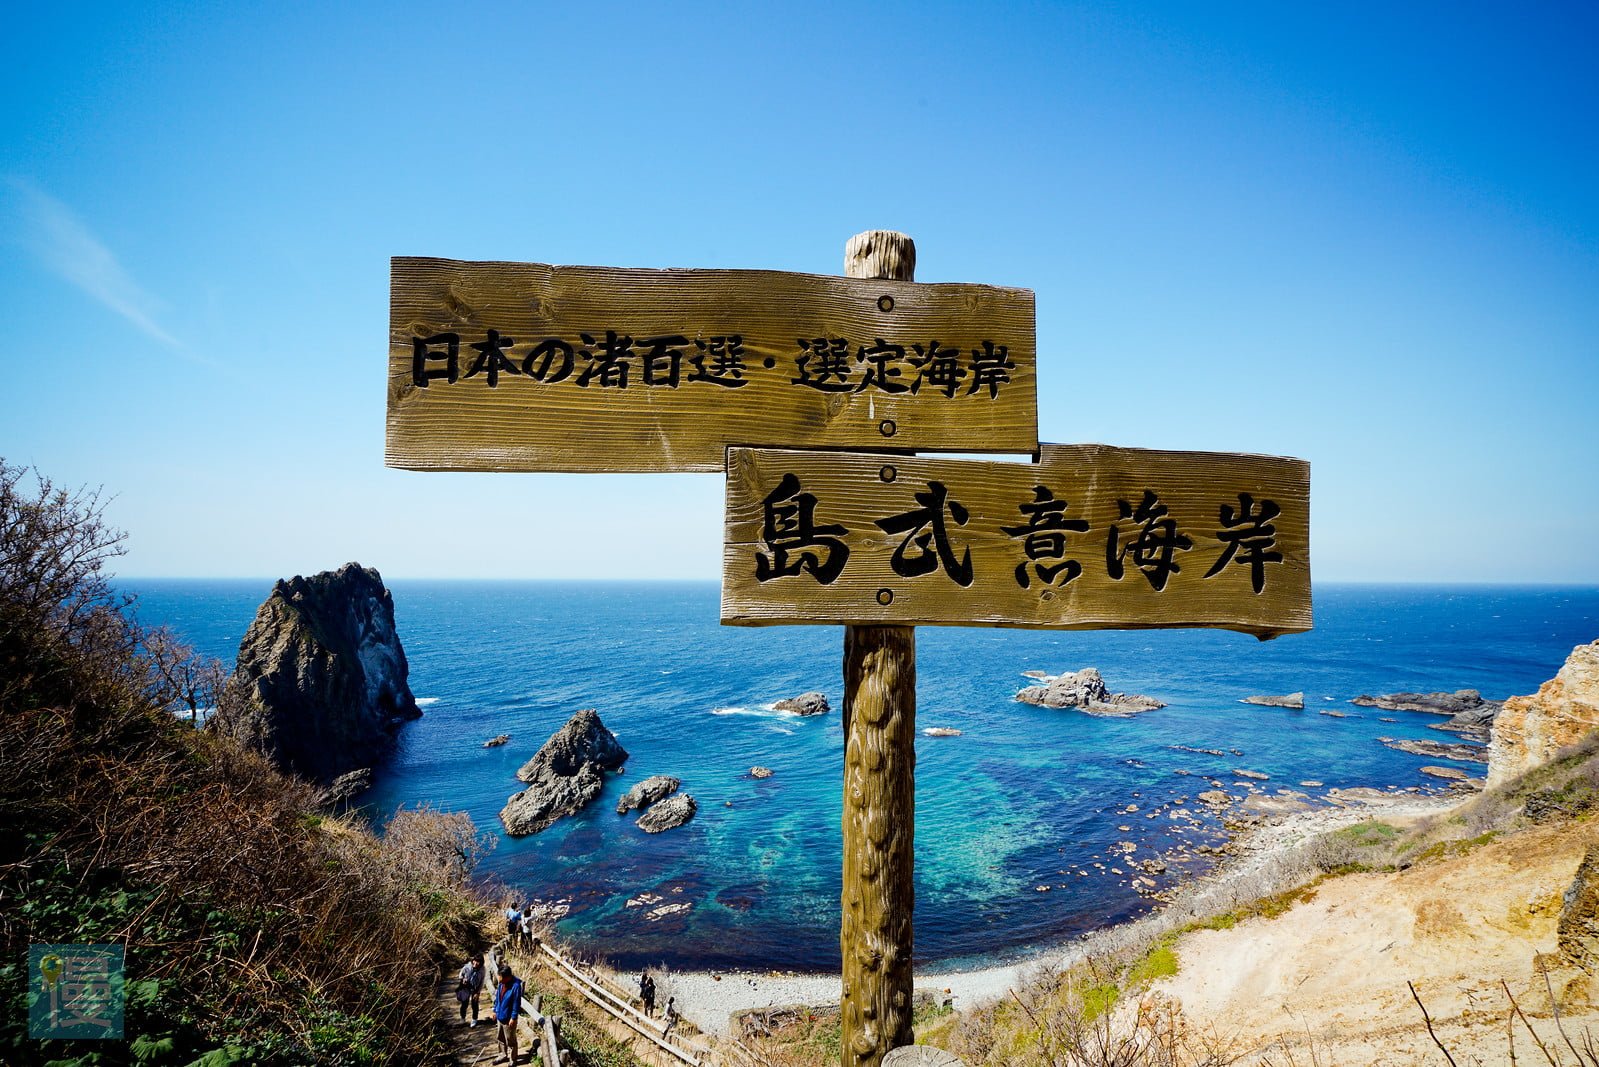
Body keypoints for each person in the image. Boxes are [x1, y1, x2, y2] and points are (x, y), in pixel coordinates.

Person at [493, 962, 524, 1066]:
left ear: (506, 977)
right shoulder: (501, 983)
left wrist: (513, 1017)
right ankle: (502, 1054)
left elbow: (516, 1003)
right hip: (500, 1015)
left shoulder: (516, 986)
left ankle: (513, 1059)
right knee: (500, 1037)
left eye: (500, 976)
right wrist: (495, 1010)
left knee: (511, 1040)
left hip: (508, 1018)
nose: (498, 978)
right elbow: (497, 998)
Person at [456, 954, 484, 1026]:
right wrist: (463, 979)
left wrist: (478, 992)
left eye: (478, 962)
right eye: (474, 961)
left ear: (481, 962)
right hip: (466, 986)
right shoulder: (467, 967)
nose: (475, 963)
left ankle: (474, 1019)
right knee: (464, 1003)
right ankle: (462, 1018)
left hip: (475, 987)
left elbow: (482, 981)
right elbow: (460, 975)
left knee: (474, 1004)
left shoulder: (482, 970)